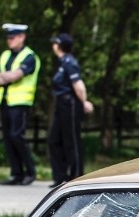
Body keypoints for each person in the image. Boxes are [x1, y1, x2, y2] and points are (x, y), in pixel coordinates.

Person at [0, 23, 41, 186]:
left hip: (20, 102)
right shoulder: (5, 55)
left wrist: (3, 77)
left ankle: (30, 172)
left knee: (17, 136)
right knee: (8, 138)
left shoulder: (30, 56)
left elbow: (16, 76)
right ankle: (16, 173)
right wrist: (7, 76)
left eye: (12, 38)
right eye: (8, 38)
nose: (9, 41)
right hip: (4, 100)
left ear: (22, 37)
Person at [48, 32, 94, 188]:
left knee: (71, 141)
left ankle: (76, 175)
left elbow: (78, 86)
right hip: (61, 104)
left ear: (59, 46)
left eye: (55, 43)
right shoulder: (61, 63)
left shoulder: (69, 62)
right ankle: (60, 177)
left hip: (70, 104)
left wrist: (84, 102)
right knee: (54, 140)